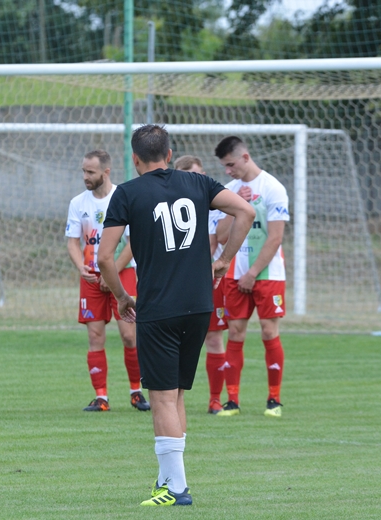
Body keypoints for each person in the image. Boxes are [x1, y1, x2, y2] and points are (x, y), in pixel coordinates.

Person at [98, 126, 255, 506]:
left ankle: (177, 489)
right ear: (170, 154)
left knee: (163, 399)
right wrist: (223, 261)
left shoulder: (128, 192)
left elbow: (105, 257)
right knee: (177, 396)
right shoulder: (197, 182)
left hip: (159, 307)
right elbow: (245, 211)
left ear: (135, 159)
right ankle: (168, 479)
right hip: (200, 304)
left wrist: (121, 296)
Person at [65, 150, 150, 412]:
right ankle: (101, 397)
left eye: (90, 172)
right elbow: (73, 242)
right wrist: (81, 267)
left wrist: (112, 271)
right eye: (83, 171)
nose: (85, 177)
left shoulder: (123, 198)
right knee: (95, 336)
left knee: (129, 336)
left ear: (106, 172)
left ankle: (136, 392)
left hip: (122, 273)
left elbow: (133, 243)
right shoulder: (78, 203)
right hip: (91, 277)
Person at [213, 136, 290, 418]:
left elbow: (276, 237)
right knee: (235, 333)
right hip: (234, 274)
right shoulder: (229, 191)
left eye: (230, 165)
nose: (228, 171)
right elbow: (221, 236)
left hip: (267, 274)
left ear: (245, 157)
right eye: (224, 166)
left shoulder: (273, 188)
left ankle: (274, 400)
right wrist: (237, 209)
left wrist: (253, 273)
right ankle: (232, 401)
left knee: (269, 331)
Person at [173, 155, 228, 414]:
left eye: (202, 174)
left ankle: (215, 399)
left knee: (214, 338)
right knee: (170, 339)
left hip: (205, 281)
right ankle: (169, 396)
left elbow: (217, 240)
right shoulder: (170, 206)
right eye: (194, 175)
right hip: (173, 282)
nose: (201, 179)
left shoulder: (213, 204)